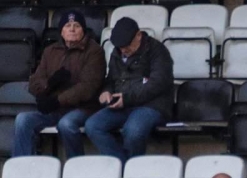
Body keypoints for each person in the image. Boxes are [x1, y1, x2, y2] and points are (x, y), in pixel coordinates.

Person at [12, 10, 105, 158]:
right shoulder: (50, 51)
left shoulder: (94, 51)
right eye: (68, 25)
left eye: (77, 25)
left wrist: (56, 100)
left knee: (66, 124)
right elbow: (35, 81)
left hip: (84, 108)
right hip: (55, 109)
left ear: (83, 30)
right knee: (23, 120)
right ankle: (22, 171)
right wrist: (49, 85)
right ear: (61, 31)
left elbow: (87, 87)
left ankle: (75, 169)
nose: (72, 29)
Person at [84, 17, 174, 162]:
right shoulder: (117, 52)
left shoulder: (157, 51)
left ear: (139, 35)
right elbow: (111, 79)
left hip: (151, 106)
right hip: (122, 105)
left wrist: (126, 99)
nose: (124, 50)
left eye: (127, 45)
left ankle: (131, 170)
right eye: (121, 47)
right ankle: (123, 165)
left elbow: (158, 83)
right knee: (92, 125)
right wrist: (106, 92)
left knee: (133, 131)